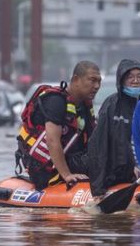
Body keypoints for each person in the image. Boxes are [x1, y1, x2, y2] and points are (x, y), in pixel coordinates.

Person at [16, 61, 101, 190]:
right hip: (44, 168)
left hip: (72, 159)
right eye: (92, 80)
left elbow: (94, 140)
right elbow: (52, 140)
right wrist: (67, 175)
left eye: (99, 82)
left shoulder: (85, 106)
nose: (96, 86)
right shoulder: (56, 101)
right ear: (75, 79)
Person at [87, 59, 140, 202]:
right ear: (121, 80)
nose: (135, 81)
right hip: (120, 171)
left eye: (139, 76)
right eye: (130, 77)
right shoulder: (112, 105)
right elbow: (99, 145)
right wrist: (98, 188)